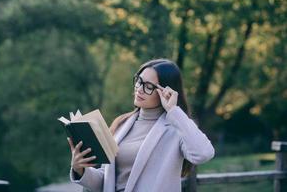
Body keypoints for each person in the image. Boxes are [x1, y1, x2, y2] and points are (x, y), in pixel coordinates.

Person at [67, 58, 215, 192]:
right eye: (139, 81)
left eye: (149, 86)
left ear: (165, 91)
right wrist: (80, 170)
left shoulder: (177, 127)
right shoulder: (121, 123)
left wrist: (173, 110)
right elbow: (106, 182)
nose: (139, 88)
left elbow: (203, 154)